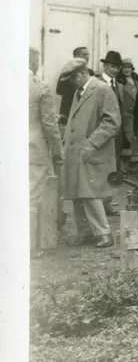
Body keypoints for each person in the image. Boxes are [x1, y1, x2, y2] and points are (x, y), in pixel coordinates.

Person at [60, 57, 120, 248]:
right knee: (78, 192)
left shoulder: (102, 89)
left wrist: (92, 144)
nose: (70, 83)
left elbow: (112, 122)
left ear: (81, 74)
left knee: (90, 193)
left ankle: (104, 233)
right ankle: (85, 233)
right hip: (78, 152)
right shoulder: (79, 92)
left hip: (93, 152)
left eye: (71, 79)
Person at [29, 49, 65, 245]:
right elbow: (50, 126)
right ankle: (30, 248)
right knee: (32, 197)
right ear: (35, 63)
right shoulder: (40, 88)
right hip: (33, 150)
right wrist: (58, 152)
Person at [95, 50, 125, 216]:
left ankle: (107, 203)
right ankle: (97, 205)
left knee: (113, 169)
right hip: (101, 134)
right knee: (100, 170)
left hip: (117, 136)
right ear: (105, 66)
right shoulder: (96, 84)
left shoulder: (119, 86)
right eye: (112, 66)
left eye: (117, 67)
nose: (115, 70)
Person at [57, 45, 93, 126]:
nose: (87, 57)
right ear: (76, 56)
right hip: (69, 110)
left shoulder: (90, 72)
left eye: (88, 54)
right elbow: (59, 90)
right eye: (84, 55)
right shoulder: (68, 72)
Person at [115, 57, 138, 169]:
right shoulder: (119, 82)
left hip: (136, 115)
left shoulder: (137, 80)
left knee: (135, 140)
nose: (127, 70)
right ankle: (122, 166)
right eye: (124, 68)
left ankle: (133, 165)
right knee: (125, 140)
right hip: (125, 116)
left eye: (129, 67)